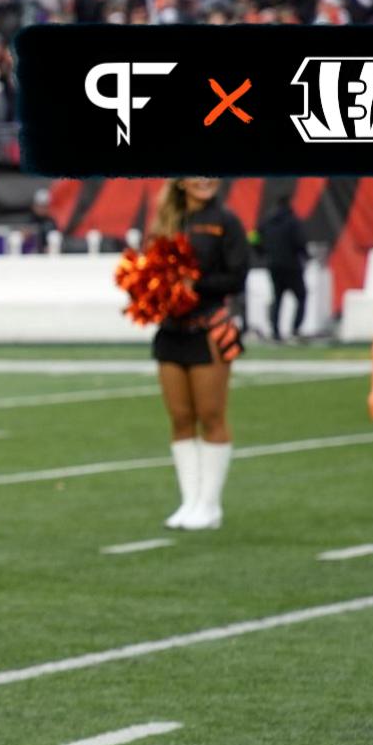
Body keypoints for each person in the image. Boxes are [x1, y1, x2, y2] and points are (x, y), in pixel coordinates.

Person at [151, 177, 248, 531]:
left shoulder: (226, 221)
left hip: (208, 327)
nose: (205, 179)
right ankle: (189, 502)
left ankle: (210, 506)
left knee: (211, 415)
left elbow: (238, 277)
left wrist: (196, 285)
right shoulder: (165, 222)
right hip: (170, 331)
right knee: (180, 418)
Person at [258, 197, 307, 343]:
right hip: (292, 266)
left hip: (273, 265)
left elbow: (254, 237)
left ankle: (275, 331)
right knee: (301, 296)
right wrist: (305, 256)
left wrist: (261, 252)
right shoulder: (293, 222)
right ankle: (295, 329)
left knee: (277, 298)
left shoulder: (266, 221)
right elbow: (300, 242)